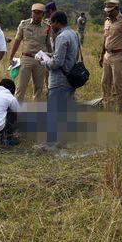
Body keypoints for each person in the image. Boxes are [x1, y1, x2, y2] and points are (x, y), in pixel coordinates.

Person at [37, 11, 80, 145]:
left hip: (59, 80)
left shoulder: (62, 37)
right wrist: (48, 54)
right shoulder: (73, 34)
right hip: (70, 77)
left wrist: (44, 62)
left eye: (51, 22)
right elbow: (66, 55)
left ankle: (51, 143)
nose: (51, 26)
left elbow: (57, 62)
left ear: (57, 22)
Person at [8, 3, 51, 101]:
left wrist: (50, 61)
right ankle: (16, 112)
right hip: (26, 58)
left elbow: (48, 45)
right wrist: (11, 57)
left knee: (39, 88)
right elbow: (17, 41)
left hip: (41, 60)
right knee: (20, 87)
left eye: (39, 13)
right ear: (31, 13)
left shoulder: (47, 27)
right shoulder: (24, 24)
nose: (36, 15)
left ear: (43, 14)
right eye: (34, 12)